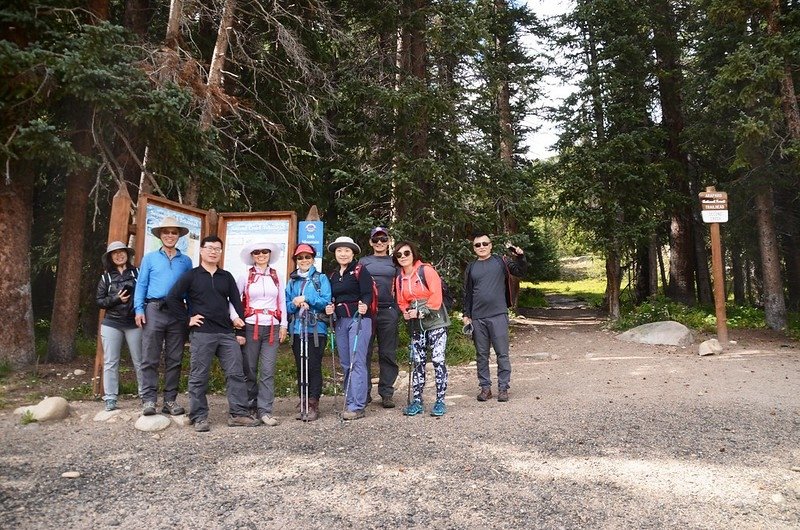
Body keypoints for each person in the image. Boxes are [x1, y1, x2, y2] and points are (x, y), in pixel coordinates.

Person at [165, 235, 259, 432]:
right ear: (201, 250)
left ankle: (238, 414)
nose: (213, 251)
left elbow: (236, 302)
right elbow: (172, 298)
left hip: (226, 333)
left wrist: (240, 330)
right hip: (202, 333)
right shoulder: (191, 275)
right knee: (199, 375)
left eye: (217, 248)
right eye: (209, 248)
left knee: (236, 373)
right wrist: (187, 320)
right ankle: (199, 416)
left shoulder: (226, 277)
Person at [134, 217, 193, 416]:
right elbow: (141, 284)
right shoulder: (150, 258)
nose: (170, 235)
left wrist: (190, 315)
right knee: (150, 356)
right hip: (154, 308)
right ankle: (149, 400)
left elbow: (190, 289)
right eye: (166, 232)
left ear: (178, 236)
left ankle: (170, 400)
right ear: (160, 235)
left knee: (175, 358)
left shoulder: (186, 261)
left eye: (174, 232)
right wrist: (139, 309)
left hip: (177, 311)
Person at [462, 232, 527, 402]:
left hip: (498, 314)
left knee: (502, 354)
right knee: (481, 354)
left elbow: (520, 271)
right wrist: (466, 314)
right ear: (474, 248)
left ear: (490, 245)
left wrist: (520, 257)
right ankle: (485, 388)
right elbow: (468, 293)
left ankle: (503, 388)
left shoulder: (501, 261)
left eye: (485, 244)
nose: (481, 247)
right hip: (477, 317)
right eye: (478, 245)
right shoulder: (471, 267)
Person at [233, 241, 287, 426]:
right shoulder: (244, 276)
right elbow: (234, 299)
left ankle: (265, 410)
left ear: (270, 254)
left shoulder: (276, 276)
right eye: (257, 252)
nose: (261, 255)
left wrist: (284, 325)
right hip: (250, 326)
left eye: (265, 252)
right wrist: (234, 318)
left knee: (267, 370)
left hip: (272, 326)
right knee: (249, 368)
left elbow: (282, 301)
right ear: (252, 255)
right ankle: (250, 407)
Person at [393, 241, 449, 417]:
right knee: (418, 362)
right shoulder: (399, 278)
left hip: (436, 322)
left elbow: (436, 297)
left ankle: (440, 400)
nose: (403, 257)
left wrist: (421, 311)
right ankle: (417, 401)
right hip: (416, 325)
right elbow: (402, 301)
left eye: (406, 253)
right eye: (399, 255)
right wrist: (406, 313)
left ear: (413, 254)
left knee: (438, 360)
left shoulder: (426, 271)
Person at [324, 236, 374, 421]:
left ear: (353, 253)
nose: (343, 253)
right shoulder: (333, 275)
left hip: (359, 319)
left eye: (346, 250)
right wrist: (328, 307)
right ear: (335, 253)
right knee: (345, 363)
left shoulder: (361, 270)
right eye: (339, 250)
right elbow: (331, 297)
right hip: (340, 321)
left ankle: (358, 406)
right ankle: (349, 400)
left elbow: (367, 292)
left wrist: (365, 305)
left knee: (356, 362)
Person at [285, 244, 332, 421]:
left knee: (313, 366)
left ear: (313, 259)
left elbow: (326, 301)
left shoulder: (321, 279)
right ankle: (303, 400)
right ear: (296, 260)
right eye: (300, 257)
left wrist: (307, 299)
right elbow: (287, 305)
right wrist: (295, 304)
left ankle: (313, 402)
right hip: (297, 329)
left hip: (315, 329)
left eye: (307, 257)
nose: (304, 260)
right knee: (300, 366)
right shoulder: (292, 281)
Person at [95, 241, 143, 412]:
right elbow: (99, 301)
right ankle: (110, 398)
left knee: (140, 360)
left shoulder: (137, 272)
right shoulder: (105, 277)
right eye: (114, 253)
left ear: (127, 254)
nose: (119, 255)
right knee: (110, 361)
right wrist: (116, 299)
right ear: (110, 257)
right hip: (112, 323)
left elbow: (144, 292)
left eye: (121, 252)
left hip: (134, 322)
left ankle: (145, 395)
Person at [358, 226, 399, 408]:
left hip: (388, 310)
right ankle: (363, 392)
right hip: (367, 311)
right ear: (370, 242)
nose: (380, 243)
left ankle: (386, 392)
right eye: (376, 240)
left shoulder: (395, 262)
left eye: (383, 239)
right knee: (364, 352)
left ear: (389, 241)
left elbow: (401, 285)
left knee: (388, 352)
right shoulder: (363, 261)